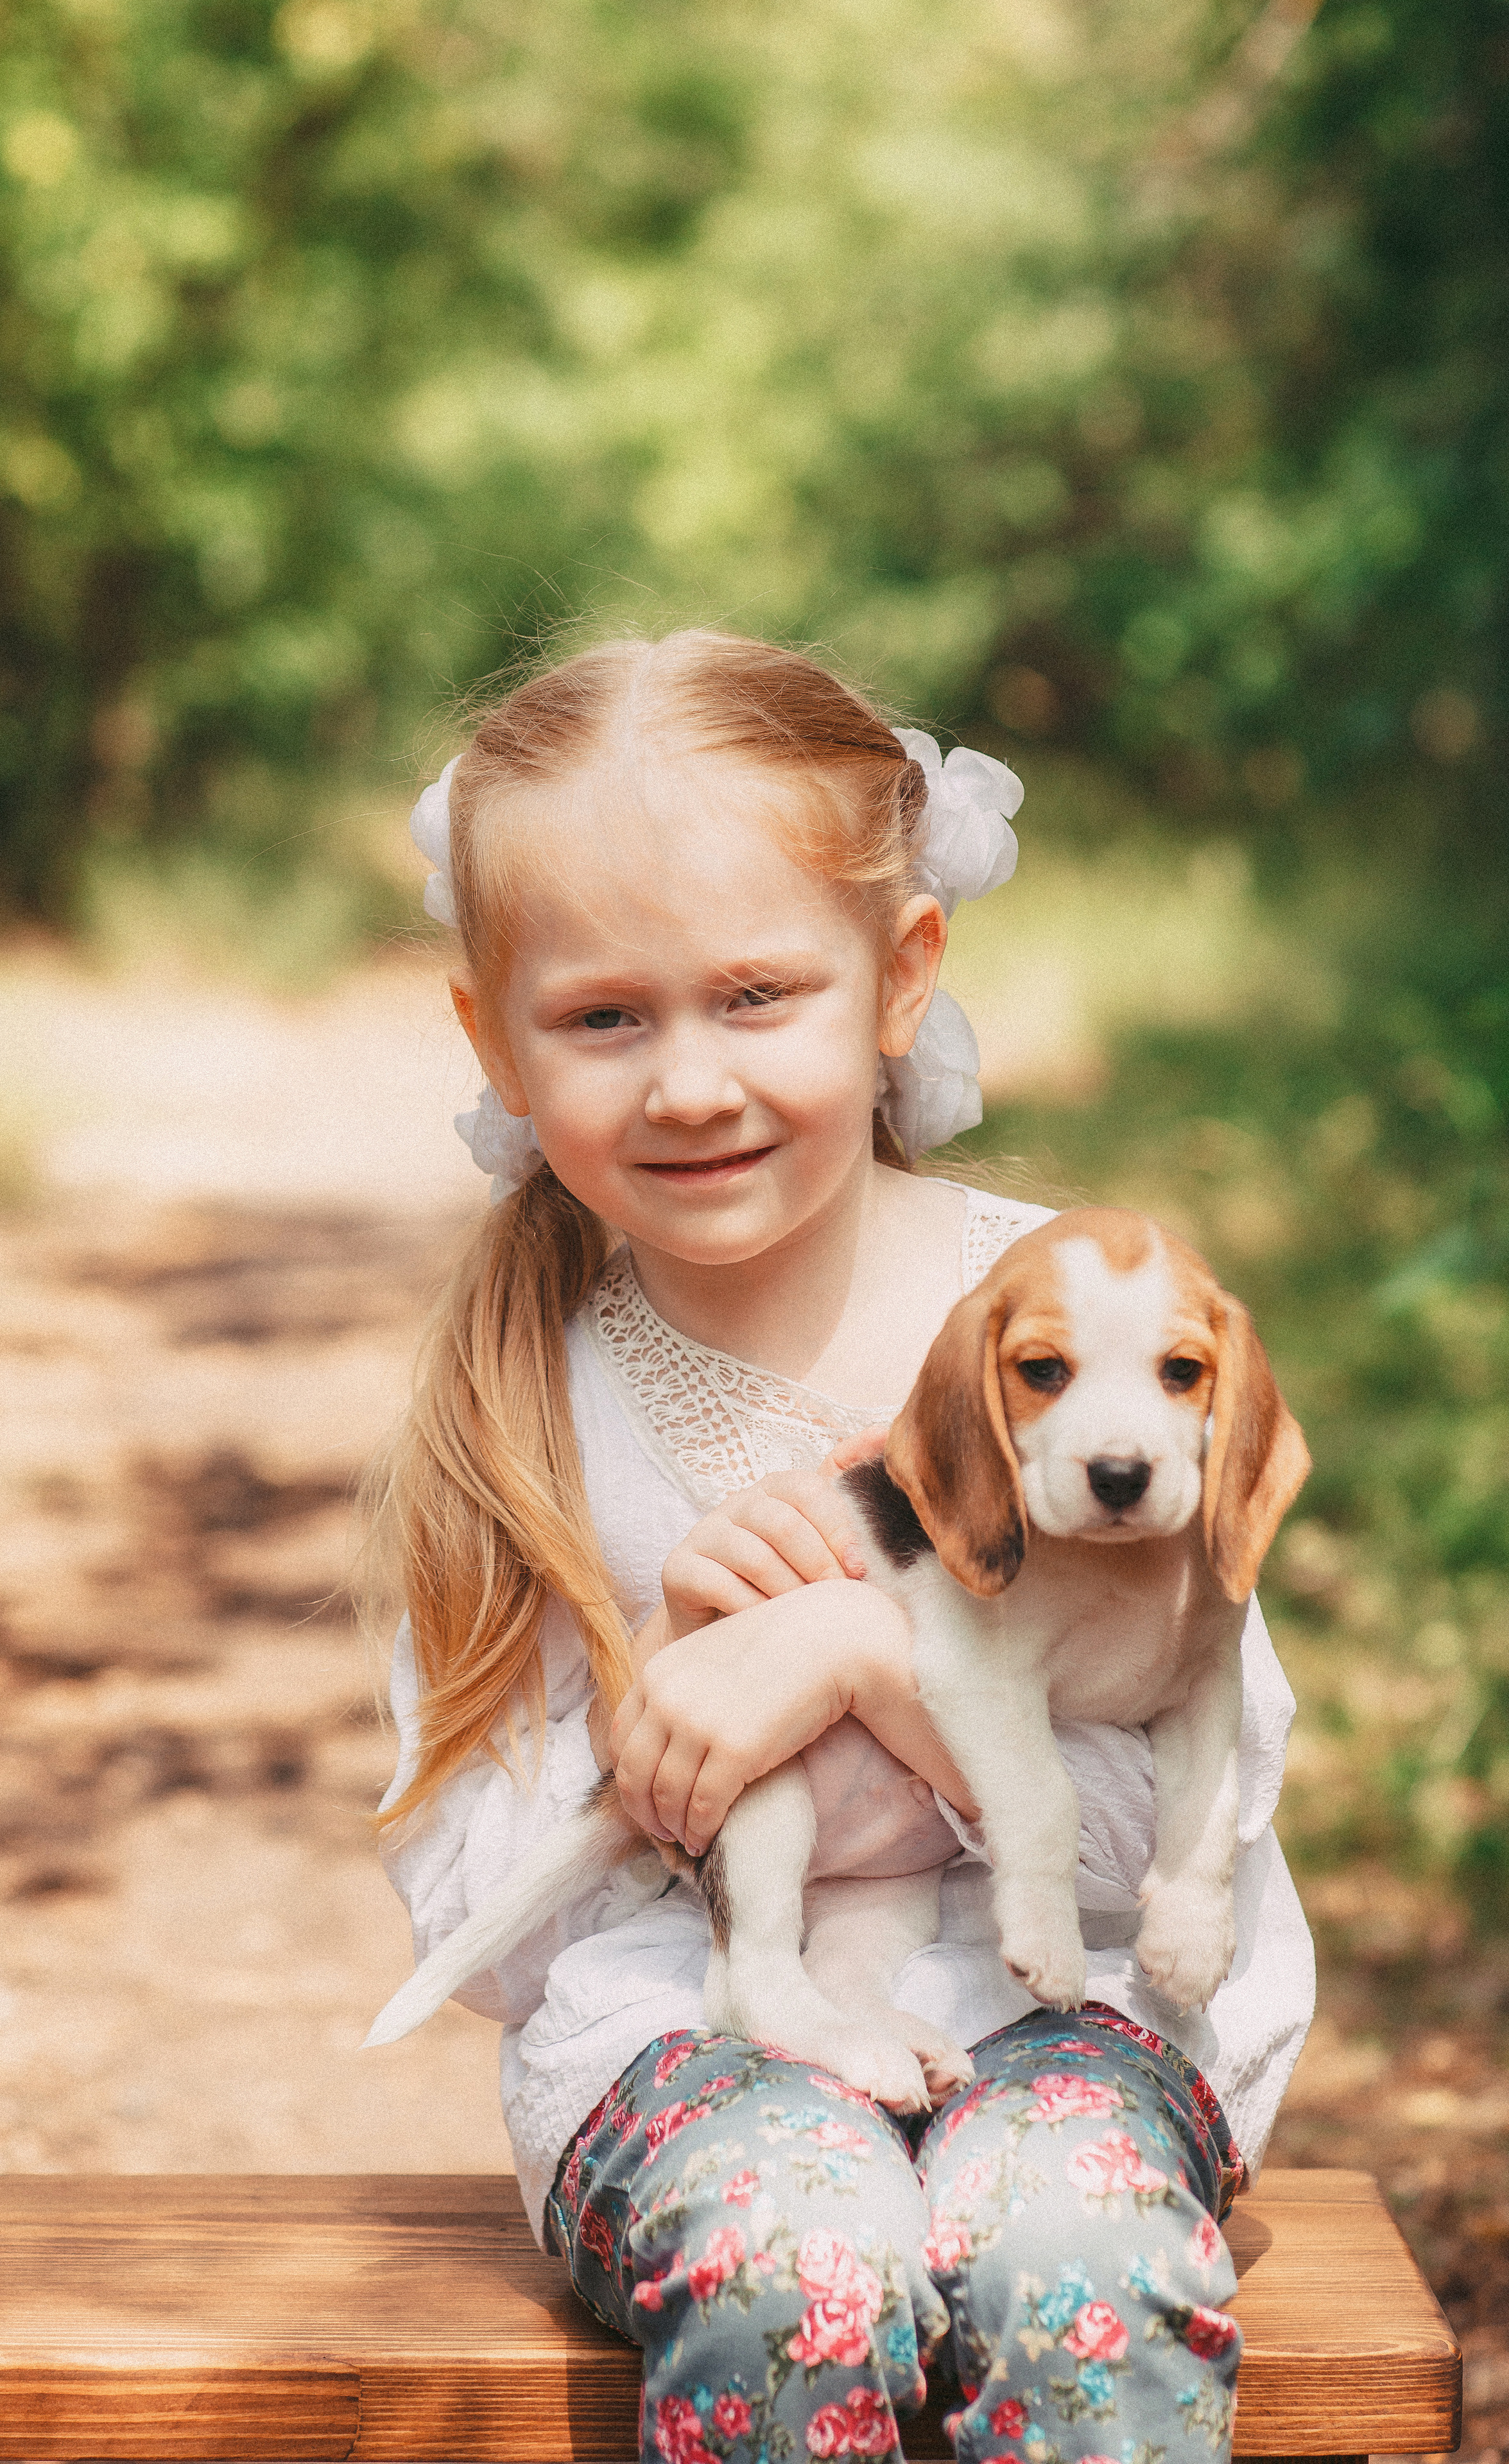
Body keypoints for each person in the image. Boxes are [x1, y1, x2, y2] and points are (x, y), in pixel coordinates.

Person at [372, 630, 1315, 2464]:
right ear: (494, 1035)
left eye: (756, 995)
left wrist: (874, 1667)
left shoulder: (1073, 1329)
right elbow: (475, 1918)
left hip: (1086, 2020)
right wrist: (678, 1732)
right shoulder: (523, 1407)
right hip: (692, 2043)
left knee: (1072, 2244)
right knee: (796, 2250)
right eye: (603, 1018)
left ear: (901, 978)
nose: (689, 1084)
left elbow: (1199, 1825)